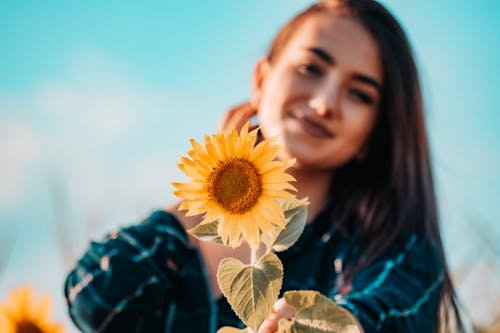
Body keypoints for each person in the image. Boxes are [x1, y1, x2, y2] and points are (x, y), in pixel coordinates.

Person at [64, 0, 464, 332]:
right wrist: (217, 188)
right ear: (261, 79)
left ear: (375, 133)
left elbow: (390, 314)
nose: (325, 102)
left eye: (359, 94)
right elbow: (97, 298)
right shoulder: (175, 250)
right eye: (311, 68)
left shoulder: (389, 249)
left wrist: (330, 324)